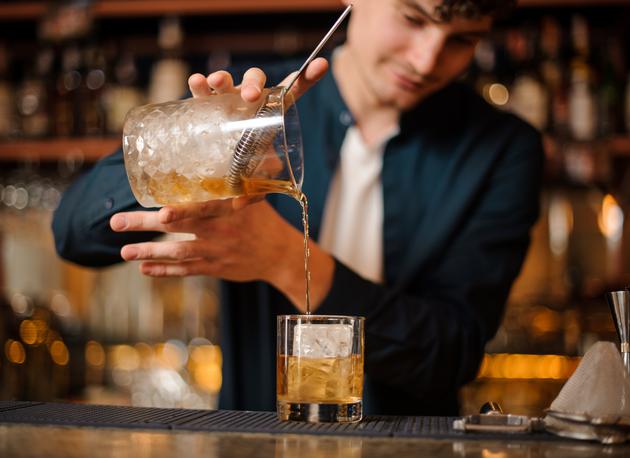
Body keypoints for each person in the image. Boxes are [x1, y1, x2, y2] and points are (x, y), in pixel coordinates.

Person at [52, 0, 543, 416]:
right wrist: (192, 148)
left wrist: (285, 259)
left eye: (462, 40)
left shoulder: (501, 150)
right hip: (252, 440)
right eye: (413, 18)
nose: (426, 59)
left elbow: (449, 355)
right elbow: (73, 232)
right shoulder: (255, 109)